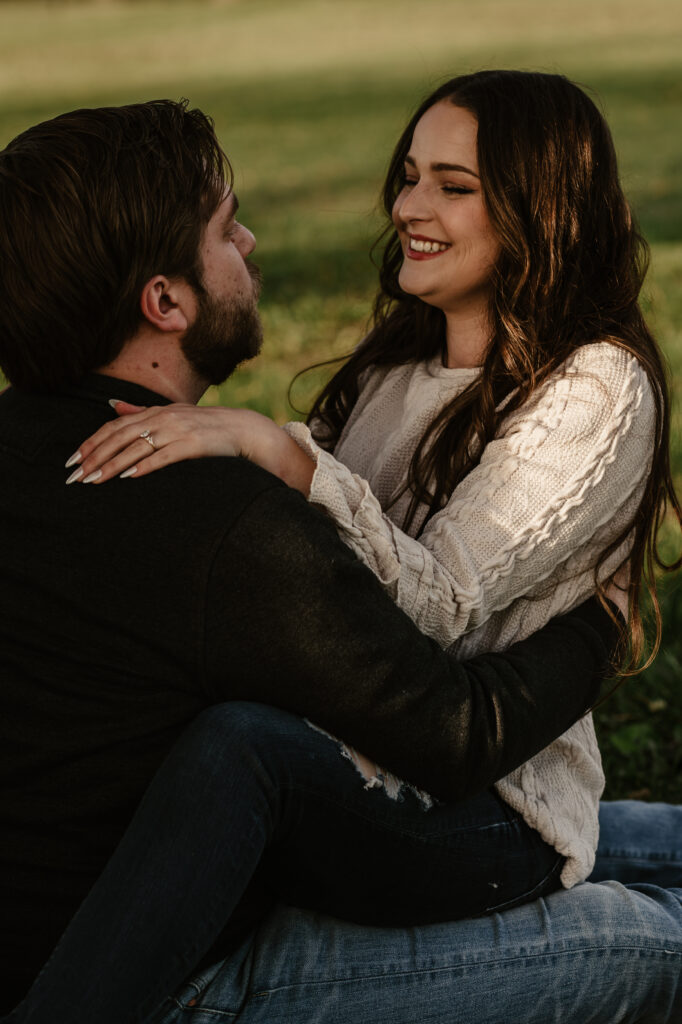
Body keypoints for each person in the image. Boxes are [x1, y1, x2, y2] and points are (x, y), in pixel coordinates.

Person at [0, 95, 679, 1024]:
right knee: (653, 936)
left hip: (326, 825)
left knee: (639, 839)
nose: (248, 240)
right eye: (225, 227)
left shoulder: (26, 452)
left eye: (450, 184)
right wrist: (600, 624)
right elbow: (453, 730)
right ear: (165, 301)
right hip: (177, 970)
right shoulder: (223, 520)